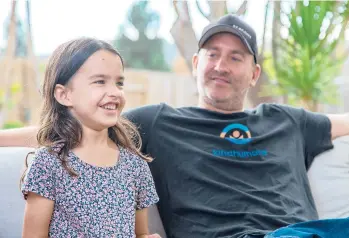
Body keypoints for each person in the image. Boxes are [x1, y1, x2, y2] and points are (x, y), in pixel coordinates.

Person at [1, 14, 349, 238]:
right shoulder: (160, 121)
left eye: (236, 57)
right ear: (196, 63)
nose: (220, 66)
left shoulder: (287, 120)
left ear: (255, 73)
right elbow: (70, 126)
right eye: (212, 54)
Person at [18, 38, 160, 238]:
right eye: (100, 81)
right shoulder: (49, 163)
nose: (114, 92)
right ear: (64, 95)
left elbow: (140, 233)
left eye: (119, 83)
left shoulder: (135, 165)